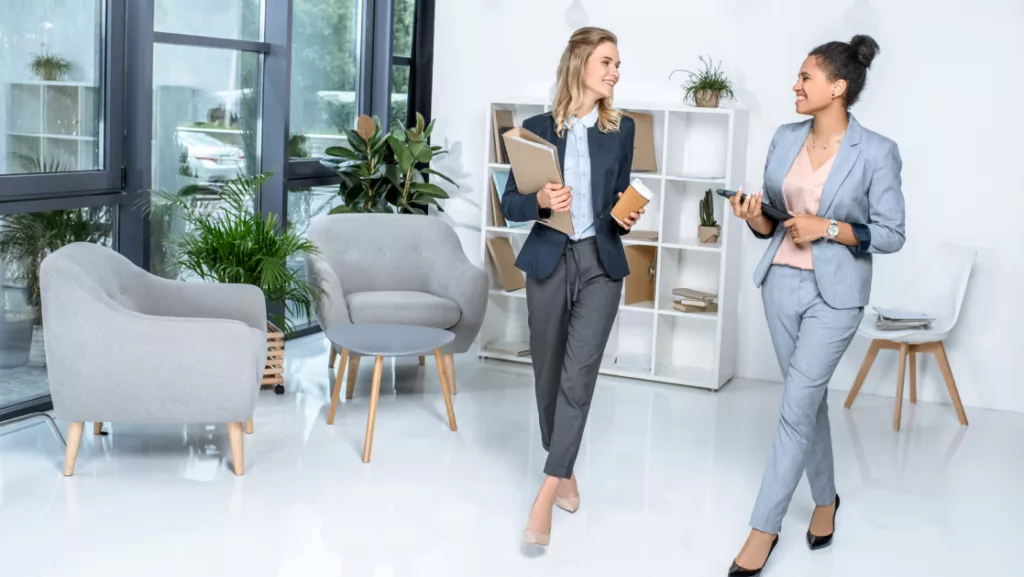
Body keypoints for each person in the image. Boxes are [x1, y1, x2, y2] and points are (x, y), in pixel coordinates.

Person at [726, 34, 905, 576]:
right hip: (780, 283)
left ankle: (763, 530)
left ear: (838, 87)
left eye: (806, 77)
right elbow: (773, 221)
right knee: (805, 405)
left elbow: (892, 234)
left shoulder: (876, 151)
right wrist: (753, 214)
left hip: (837, 296)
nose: (796, 85)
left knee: (793, 410)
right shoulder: (784, 138)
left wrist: (828, 227)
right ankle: (825, 501)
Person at [499, 26, 644, 547]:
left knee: (577, 379)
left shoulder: (621, 128)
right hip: (549, 260)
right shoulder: (534, 129)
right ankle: (564, 467)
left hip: (600, 262)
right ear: (580, 62)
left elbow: (621, 194)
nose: (614, 71)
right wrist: (541, 203)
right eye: (607, 61)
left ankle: (544, 493)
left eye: (618, 64)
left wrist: (625, 218)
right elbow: (509, 204)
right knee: (547, 376)